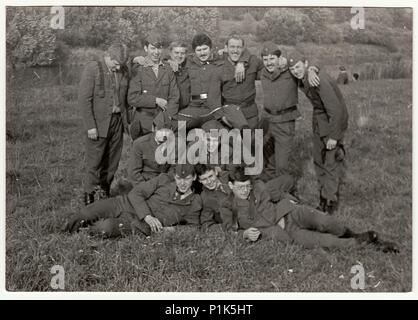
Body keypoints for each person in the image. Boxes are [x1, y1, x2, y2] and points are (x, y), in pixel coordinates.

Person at [220, 167, 399, 253]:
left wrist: (293, 202)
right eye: (240, 187)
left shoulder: (258, 186)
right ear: (230, 185)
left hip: (290, 213)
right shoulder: (228, 205)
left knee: (325, 221)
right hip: (284, 231)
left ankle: (352, 234)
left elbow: (279, 194)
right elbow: (229, 229)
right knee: (325, 241)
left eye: (247, 186)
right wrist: (243, 235)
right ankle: (369, 245)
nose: (245, 190)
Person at [64, 164, 202, 238]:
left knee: (106, 227)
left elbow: (194, 227)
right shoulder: (164, 179)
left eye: (187, 179)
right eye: (179, 178)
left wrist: (171, 230)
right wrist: (147, 216)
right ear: (175, 176)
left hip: (137, 224)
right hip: (124, 203)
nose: (182, 183)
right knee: (85, 213)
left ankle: (84, 233)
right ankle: (62, 234)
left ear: (194, 177)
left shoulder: (194, 202)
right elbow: (136, 192)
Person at [288, 51, 349, 214]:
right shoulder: (304, 75)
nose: (295, 71)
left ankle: (330, 202)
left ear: (305, 64)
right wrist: (312, 68)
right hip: (320, 121)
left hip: (332, 121)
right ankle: (323, 198)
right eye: (292, 69)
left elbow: (335, 110)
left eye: (298, 67)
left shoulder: (318, 80)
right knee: (318, 160)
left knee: (329, 162)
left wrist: (334, 137)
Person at [78, 42, 130, 205]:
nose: (117, 67)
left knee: (113, 160)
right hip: (98, 124)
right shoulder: (93, 69)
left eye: (121, 65)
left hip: (117, 122)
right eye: (115, 63)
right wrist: (90, 126)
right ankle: (89, 198)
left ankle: (104, 191)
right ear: (108, 56)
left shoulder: (124, 70)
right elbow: (84, 100)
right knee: (95, 162)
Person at [259, 42, 319, 178]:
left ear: (279, 58)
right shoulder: (262, 71)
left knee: (282, 164)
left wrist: (312, 69)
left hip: (285, 122)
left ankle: (284, 194)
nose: (269, 63)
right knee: (268, 160)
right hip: (267, 120)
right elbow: (246, 62)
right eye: (265, 59)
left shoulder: (290, 71)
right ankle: (270, 191)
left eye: (272, 58)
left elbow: (306, 63)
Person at [174, 33, 249, 130]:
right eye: (199, 50)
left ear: (211, 48)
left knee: (222, 135)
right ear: (194, 52)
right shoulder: (188, 61)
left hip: (214, 109)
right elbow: (170, 56)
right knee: (175, 128)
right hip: (194, 108)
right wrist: (172, 62)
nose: (202, 53)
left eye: (205, 49)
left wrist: (241, 62)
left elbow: (242, 51)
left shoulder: (220, 58)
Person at [195, 164, 295, 230]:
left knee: (287, 179)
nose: (209, 181)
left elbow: (253, 182)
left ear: (216, 172)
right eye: (204, 179)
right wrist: (226, 225)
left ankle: (288, 199)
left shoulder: (227, 175)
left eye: (210, 176)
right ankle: (284, 202)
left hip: (256, 195)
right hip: (246, 212)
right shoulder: (205, 198)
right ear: (199, 181)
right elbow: (206, 223)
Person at [128, 34, 180, 140]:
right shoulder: (138, 69)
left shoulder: (168, 69)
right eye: (153, 48)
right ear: (146, 48)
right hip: (143, 123)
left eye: (159, 48)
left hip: (164, 121)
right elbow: (132, 98)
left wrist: (168, 117)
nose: (156, 52)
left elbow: (175, 96)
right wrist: (156, 100)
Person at [208, 33, 264, 129]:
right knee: (234, 143)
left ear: (243, 49)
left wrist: (282, 60)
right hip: (230, 114)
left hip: (251, 114)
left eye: (238, 47)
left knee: (255, 142)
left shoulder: (252, 61)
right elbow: (213, 97)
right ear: (226, 48)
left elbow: (269, 65)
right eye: (232, 47)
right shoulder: (219, 68)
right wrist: (221, 117)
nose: (235, 50)